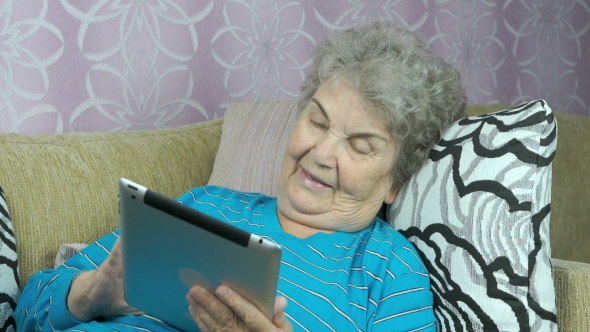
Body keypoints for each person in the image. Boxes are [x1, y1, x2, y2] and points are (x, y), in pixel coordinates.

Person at [16, 21, 466, 331]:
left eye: (359, 145)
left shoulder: (388, 269)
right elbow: (28, 307)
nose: (322, 152)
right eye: (318, 121)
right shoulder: (206, 204)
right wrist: (89, 295)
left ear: (394, 182)